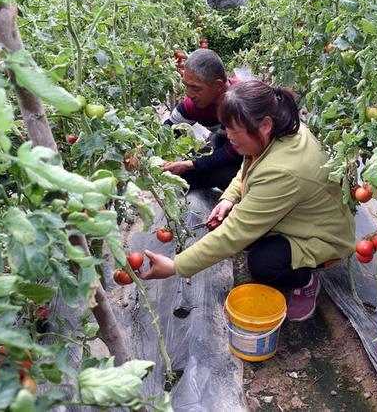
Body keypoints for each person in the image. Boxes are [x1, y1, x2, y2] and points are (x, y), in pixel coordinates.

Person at [143, 80, 355, 322]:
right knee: (233, 216)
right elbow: (249, 165)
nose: (229, 137)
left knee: (262, 264)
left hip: (322, 236)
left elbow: (237, 233)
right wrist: (228, 199)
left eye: (234, 130)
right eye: (226, 128)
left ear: (264, 125)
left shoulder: (284, 170)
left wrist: (175, 266)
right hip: (296, 217)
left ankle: (306, 282)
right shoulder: (278, 132)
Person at [162, 49, 243, 190]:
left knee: (222, 176)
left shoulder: (242, 103)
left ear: (218, 86)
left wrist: (191, 164)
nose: (189, 94)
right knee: (188, 174)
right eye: (186, 85)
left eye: (195, 88)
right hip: (225, 141)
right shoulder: (193, 105)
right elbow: (169, 129)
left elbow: (233, 152)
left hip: (250, 154)